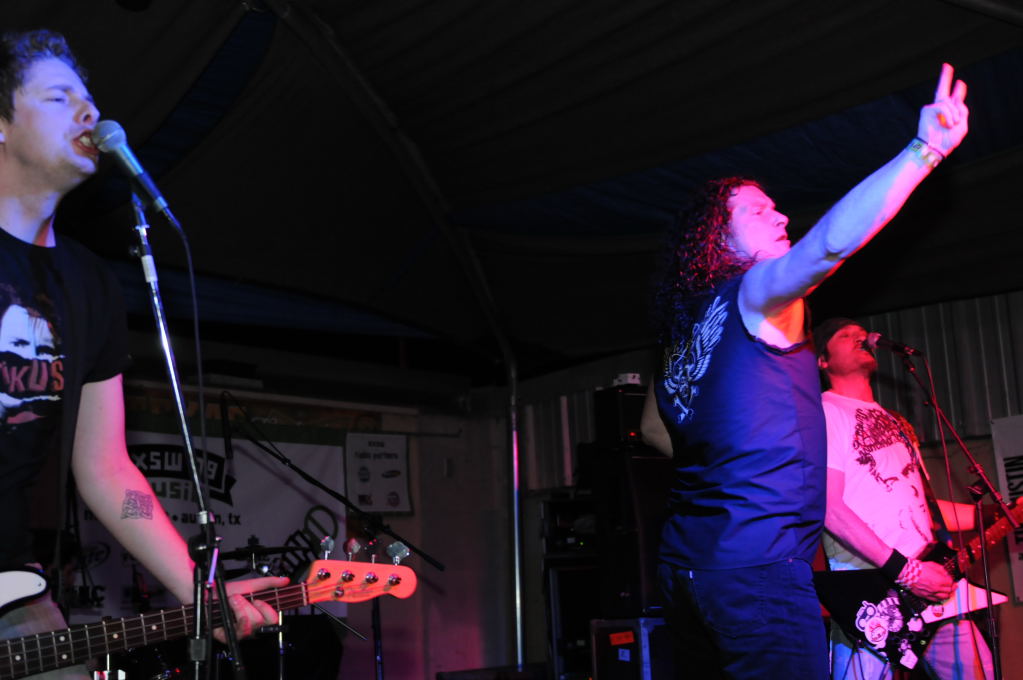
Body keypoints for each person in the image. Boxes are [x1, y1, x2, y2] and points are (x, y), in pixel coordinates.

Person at [640, 62, 969, 679]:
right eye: (760, 211)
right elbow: (827, 247)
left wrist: (731, 463)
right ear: (720, 238)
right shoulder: (755, 293)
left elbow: (658, 430)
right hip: (758, 569)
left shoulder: (683, 332)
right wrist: (924, 151)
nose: (781, 218)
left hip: (687, 569)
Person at [0, 29, 284, 678]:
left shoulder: (90, 285)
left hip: (12, 585)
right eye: (59, 96)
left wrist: (198, 592)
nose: (89, 112)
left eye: (90, 99)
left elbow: (106, 469)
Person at [814, 318, 994, 679]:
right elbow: (828, 508)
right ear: (823, 360)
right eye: (845, 336)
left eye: (861, 334)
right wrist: (906, 571)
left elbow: (925, 511)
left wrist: (993, 514)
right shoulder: (825, 412)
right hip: (871, 588)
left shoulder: (895, 422)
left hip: (932, 582)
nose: (860, 338)